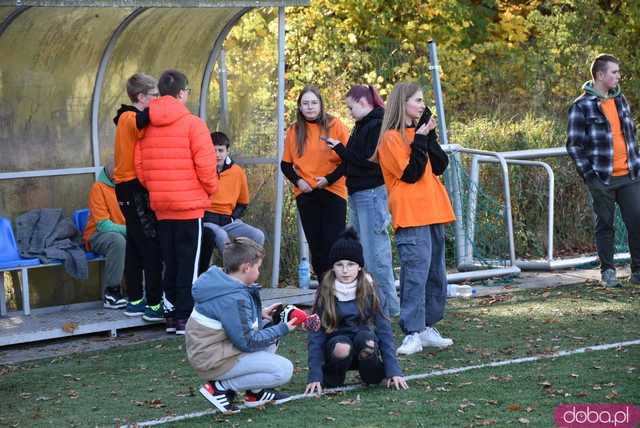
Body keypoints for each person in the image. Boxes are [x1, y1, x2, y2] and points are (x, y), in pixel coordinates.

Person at [374, 82, 455, 356]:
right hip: (411, 215)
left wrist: (427, 137)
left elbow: (441, 165)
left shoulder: (419, 133)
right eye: (417, 100)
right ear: (403, 104)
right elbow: (411, 173)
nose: (422, 105)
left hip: (434, 210)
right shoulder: (390, 138)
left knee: (435, 274)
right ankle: (411, 332)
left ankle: (428, 327)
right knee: (415, 276)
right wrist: (420, 138)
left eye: (423, 101)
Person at [135, 69, 218, 334]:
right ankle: (185, 317)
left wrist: (158, 189)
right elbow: (206, 166)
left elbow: (140, 167)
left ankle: (171, 315)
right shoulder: (193, 124)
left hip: (161, 206)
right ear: (182, 93)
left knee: (169, 261)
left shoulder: (146, 125)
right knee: (188, 264)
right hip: (189, 206)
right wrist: (211, 189)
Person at [185, 237, 297, 414]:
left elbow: (230, 318)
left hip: (211, 351)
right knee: (283, 370)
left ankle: (255, 393)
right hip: (212, 360)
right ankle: (220, 387)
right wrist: (283, 328)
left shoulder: (224, 282)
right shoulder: (233, 297)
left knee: (269, 329)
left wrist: (260, 315)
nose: (259, 271)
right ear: (246, 267)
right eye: (258, 267)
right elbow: (247, 341)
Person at [323, 84, 400, 316]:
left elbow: (367, 161)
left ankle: (388, 307)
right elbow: (351, 162)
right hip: (360, 194)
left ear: (364, 103)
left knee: (376, 255)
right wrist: (328, 177)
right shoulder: (362, 125)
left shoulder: (376, 125)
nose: (349, 112)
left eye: (351, 107)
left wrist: (340, 149)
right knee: (365, 252)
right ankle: (375, 304)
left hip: (372, 194)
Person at [566, 53, 640, 287]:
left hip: (629, 175)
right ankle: (608, 271)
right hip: (601, 178)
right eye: (614, 72)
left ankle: (637, 271)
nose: (619, 76)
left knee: (637, 220)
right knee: (605, 224)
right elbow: (574, 145)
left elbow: (630, 135)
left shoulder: (621, 101)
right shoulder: (581, 106)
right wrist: (590, 176)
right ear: (600, 75)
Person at [305, 228, 408, 395]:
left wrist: (393, 370)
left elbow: (384, 330)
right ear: (333, 267)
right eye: (339, 265)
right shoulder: (324, 290)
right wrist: (315, 375)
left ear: (360, 266)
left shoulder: (372, 289)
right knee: (342, 346)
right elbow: (316, 335)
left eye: (351, 264)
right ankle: (331, 379)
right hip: (338, 348)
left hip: (363, 345)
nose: (345, 270)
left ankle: (373, 375)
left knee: (367, 340)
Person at [280, 86, 350, 279]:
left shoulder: (335, 125)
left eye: (313, 103)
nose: (310, 107)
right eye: (305, 103)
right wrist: (299, 181)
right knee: (316, 247)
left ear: (320, 104)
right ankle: (323, 292)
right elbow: (285, 165)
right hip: (307, 193)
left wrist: (328, 180)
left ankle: (340, 291)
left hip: (332, 190)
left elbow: (348, 160)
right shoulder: (294, 130)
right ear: (300, 107)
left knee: (334, 244)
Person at [112, 73, 164, 322]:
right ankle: (154, 303)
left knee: (134, 244)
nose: (158, 101)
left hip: (127, 188)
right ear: (141, 97)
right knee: (150, 246)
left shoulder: (127, 118)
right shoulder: (128, 117)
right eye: (154, 96)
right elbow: (145, 119)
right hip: (132, 188)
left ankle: (134, 299)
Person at [198, 131, 265, 275]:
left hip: (229, 220)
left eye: (221, 150)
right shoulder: (201, 170)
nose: (217, 154)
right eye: (213, 150)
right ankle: (232, 277)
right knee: (222, 236)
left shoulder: (237, 172)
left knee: (258, 235)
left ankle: (248, 274)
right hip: (207, 220)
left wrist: (234, 217)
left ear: (228, 151)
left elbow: (243, 202)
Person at [82, 161, 128, 309]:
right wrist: (131, 230)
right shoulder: (98, 188)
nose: (118, 180)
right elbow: (103, 225)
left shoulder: (129, 185)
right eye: (116, 178)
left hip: (123, 233)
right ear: (109, 176)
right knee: (118, 241)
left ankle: (149, 293)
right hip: (97, 235)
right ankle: (112, 293)